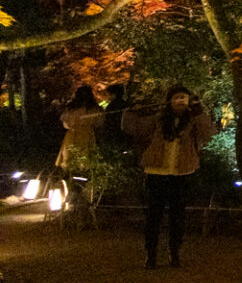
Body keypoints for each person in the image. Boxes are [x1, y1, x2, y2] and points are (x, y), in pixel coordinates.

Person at [124, 87, 217, 268]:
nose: (180, 101)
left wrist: (199, 112)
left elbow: (208, 133)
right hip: (156, 171)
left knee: (178, 216)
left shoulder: (193, 120)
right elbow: (133, 128)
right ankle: (151, 254)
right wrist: (132, 110)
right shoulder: (159, 119)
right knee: (153, 215)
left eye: (184, 97)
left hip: (182, 172)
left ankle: (175, 253)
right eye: (176, 97)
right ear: (169, 100)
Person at [55, 82, 118, 173]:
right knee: (85, 159)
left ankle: (70, 178)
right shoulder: (94, 109)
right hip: (86, 135)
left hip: (72, 135)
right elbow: (99, 123)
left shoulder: (71, 108)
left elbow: (65, 123)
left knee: (70, 158)